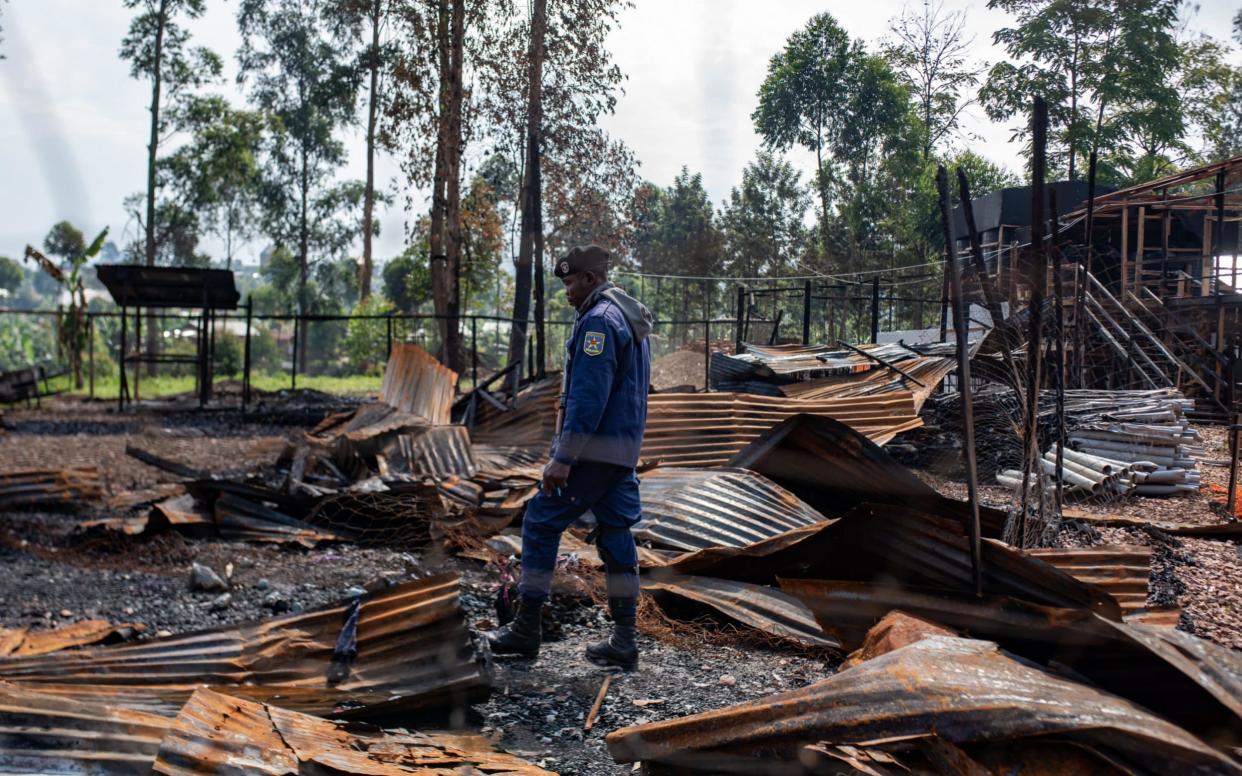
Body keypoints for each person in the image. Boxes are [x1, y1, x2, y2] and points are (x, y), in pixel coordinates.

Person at [487, 244, 652, 670]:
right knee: (616, 534)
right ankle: (625, 640)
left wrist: (564, 457)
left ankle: (526, 629)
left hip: (593, 450)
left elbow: (587, 398)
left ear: (591, 280)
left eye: (571, 282)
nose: (566, 291)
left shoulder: (599, 322)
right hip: (620, 450)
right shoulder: (627, 316)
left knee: (541, 521)